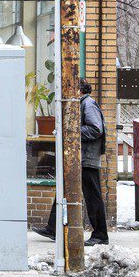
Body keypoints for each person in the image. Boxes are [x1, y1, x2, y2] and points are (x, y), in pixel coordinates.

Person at [34, 78, 109, 246]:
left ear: (79, 90)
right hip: (78, 157)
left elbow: (96, 128)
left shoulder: (88, 104)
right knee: (64, 191)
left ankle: (101, 235)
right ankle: (53, 227)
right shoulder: (82, 104)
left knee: (92, 197)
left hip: (86, 159)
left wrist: (70, 131)